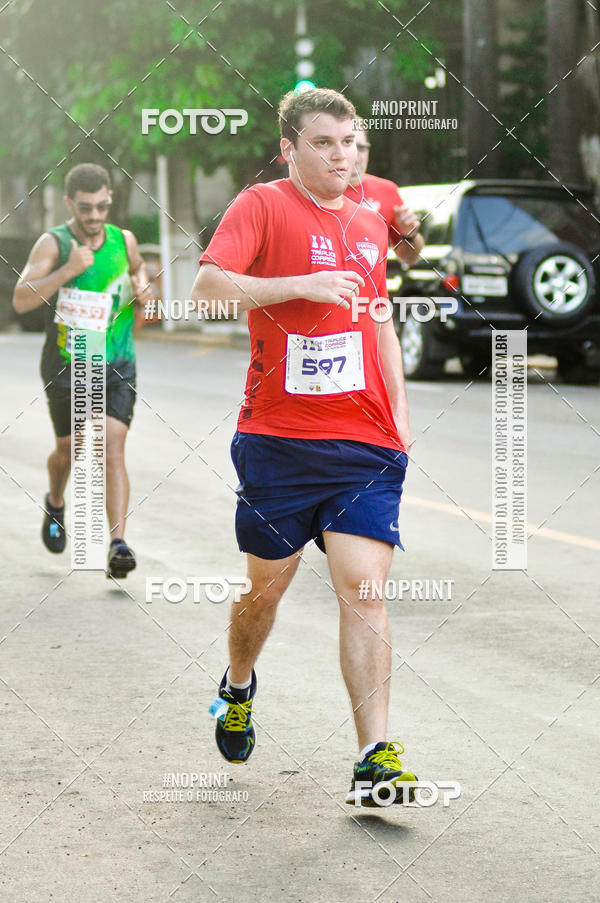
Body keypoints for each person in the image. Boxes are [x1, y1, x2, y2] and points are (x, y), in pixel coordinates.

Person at [192, 88, 418, 807]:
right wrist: (301, 284)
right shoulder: (261, 205)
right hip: (277, 441)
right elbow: (206, 290)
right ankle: (237, 685)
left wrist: (400, 420)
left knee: (365, 592)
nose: (343, 155)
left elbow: (378, 316)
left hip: (364, 441)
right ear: (289, 148)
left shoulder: (369, 216)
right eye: (325, 143)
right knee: (267, 590)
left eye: (351, 142)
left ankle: (373, 758)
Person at [12, 163, 151, 578]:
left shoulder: (122, 240)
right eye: (86, 208)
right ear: (70, 203)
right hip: (69, 360)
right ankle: (56, 500)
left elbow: (138, 271)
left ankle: (118, 544)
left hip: (117, 358)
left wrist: (144, 288)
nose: (94, 216)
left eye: (102, 206)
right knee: (70, 449)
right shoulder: (53, 243)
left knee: (111, 446)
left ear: (109, 198)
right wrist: (68, 270)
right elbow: (20, 300)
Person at [345, 126, 424, 266]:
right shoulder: (315, 190)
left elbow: (409, 258)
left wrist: (409, 235)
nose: (357, 156)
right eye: (349, 145)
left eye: (362, 148)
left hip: (373, 287)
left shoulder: (388, 191)